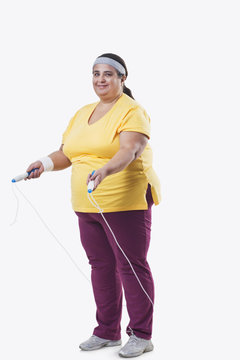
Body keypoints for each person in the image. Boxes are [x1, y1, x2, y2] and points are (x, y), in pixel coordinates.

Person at [25, 53, 161, 358]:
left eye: (108, 74)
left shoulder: (133, 111)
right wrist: (44, 163)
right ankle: (107, 332)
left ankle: (141, 334)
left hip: (124, 202)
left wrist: (106, 170)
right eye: (96, 73)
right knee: (101, 266)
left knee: (131, 266)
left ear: (122, 79)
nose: (101, 79)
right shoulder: (83, 112)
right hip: (86, 204)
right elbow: (68, 152)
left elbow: (132, 149)